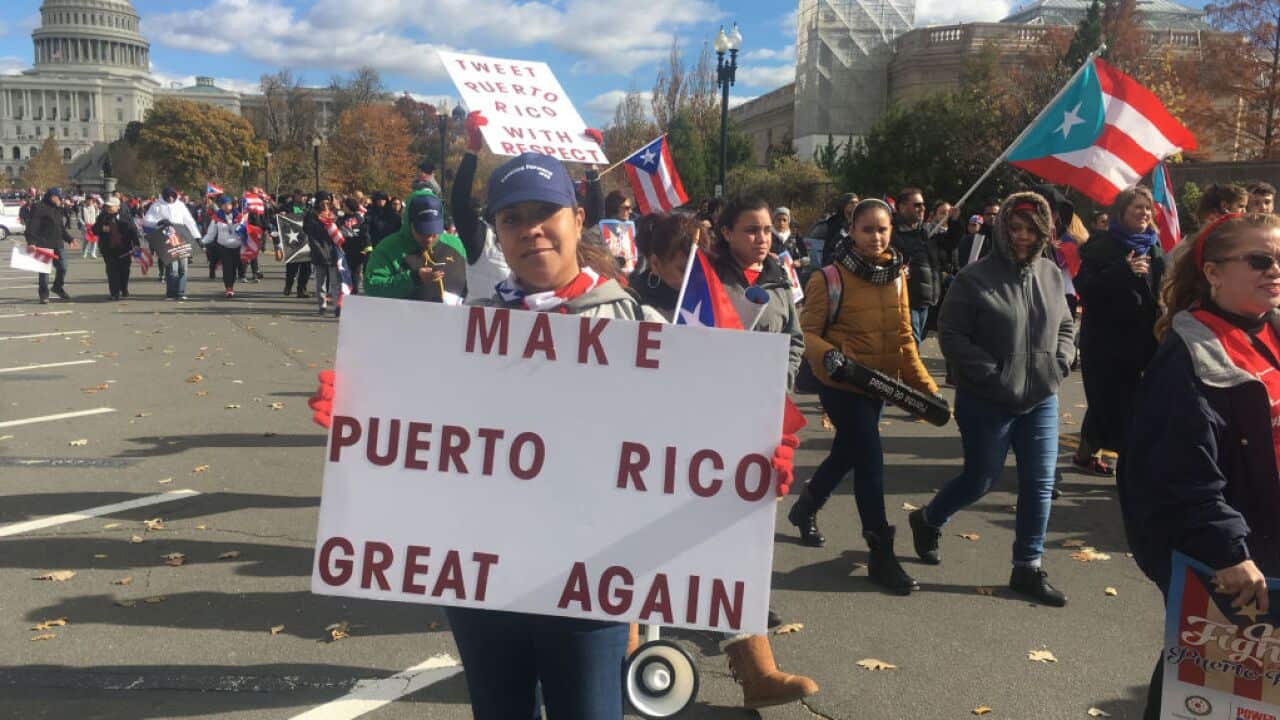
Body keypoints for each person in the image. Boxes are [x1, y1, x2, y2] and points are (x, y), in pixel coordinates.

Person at [1120, 212, 1280, 719]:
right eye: (1260, 260)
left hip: (1271, 544)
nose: (1274, 270)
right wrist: (1227, 550)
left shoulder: (1272, 330)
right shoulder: (1189, 354)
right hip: (1236, 558)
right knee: (1206, 698)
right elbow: (1180, 469)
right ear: (1212, 273)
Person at [909, 192, 1075, 607]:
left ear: (1045, 232)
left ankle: (1028, 567)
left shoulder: (1052, 275)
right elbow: (951, 337)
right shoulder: (973, 278)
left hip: (1041, 396)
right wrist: (993, 376)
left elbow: (1067, 325)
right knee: (980, 478)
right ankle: (928, 519)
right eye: (1015, 228)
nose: (1022, 237)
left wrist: (1060, 363)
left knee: (1039, 483)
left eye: (1032, 229)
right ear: (1001, 230)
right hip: (987, 399)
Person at [789, 198, 940, 595]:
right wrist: (831, 357)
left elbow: (905, 339)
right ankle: (880, 551)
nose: (876, 237)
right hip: (841, 385)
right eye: (867, 229)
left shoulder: (897, 277)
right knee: (870, 460)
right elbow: (808, 334)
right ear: (851, 232)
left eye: (883, 229)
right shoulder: (828, 279)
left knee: (847, 454)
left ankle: (804, 508)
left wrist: (928, 389)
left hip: (878, 386)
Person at [1072, 186, 1164, 473]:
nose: (1144, 213)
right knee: (1110, 401)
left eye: (1147, 208)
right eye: (1137, 207)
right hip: (1105, 343)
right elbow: (1085, 289)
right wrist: (1122, 271)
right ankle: (1130, 465)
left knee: (1125, 401)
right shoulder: (1102, 245)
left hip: (1144, 340)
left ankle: (1086, 454)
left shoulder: (1154, 246)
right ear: (1121, 212)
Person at [713, 197, 805, 388]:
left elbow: (794, 339)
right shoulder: (709, 278)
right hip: (716, 389)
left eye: (767, 230)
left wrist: (784, 379)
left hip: (767, 397)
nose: (762, 239)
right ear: (727, 233)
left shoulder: (780, 279)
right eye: (751, 231)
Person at [365, 194, 466, 303]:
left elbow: (475, 280)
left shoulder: (456, 245)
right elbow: (372, 287)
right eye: (422, 231)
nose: (429, 239)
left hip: (454, 317)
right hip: (405, 317)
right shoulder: (388, 248)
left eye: (434, 232)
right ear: (410, 224)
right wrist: (413, 278)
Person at [891, 187, 942, 345]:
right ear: (901, 207)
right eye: (917, 205)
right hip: (907, 301)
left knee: (915, 343)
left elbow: (949, 243)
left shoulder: (924, 233)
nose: (923, 209)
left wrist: (953, 221)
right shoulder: (891, 232)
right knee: (912, 345)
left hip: (925, 300)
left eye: (923, 205)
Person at [143, 187, 200, 300]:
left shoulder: (180, 205)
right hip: (167, 237)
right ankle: (171, 293)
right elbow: (146, 221)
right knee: (172, 268)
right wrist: (158, 222)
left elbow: (189, 221)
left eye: (172, 195)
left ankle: (180, 292)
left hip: (182, 235)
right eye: (168, 196)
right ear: (164, 196)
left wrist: (197, 236)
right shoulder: (157, 205)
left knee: (183, 267)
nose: (170, 198)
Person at [26, 188, 74, 304]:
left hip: (57, 243)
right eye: (59, 198)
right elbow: (32, 225)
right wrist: (31, 242)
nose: (61, 200)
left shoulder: (57, 208)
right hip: (43, 243)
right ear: (52, 197)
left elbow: (60, 227)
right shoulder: (39, 207)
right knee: (44, 271)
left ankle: (57, 287)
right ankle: (44, 294)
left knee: (63, 267)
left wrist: (69, 239)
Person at [304, 191, 344, 316]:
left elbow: (340, 230)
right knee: (320, 282)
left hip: (332, 252)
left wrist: (334, 217)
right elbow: (309, 231)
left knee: (334, 282)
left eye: (327, 202)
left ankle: (338, 307)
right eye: (323, 202)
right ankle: (322, 306)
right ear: (318, 202)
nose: (325, 204)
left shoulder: (334, 214)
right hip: (319, 251)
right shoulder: (311, 216)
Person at [91, 196, 139, 300]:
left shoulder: (126, 217)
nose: (108, 208)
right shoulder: (102, 216)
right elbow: (94, 229)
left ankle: (124, 287)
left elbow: (133, 231)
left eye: (111, 206)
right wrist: (101, 228)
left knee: (124, 270)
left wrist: (136, 244)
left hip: (124, 248)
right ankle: (114, 293)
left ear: (118, 207)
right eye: (107, 206)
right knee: (111, 271)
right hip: (108, 248)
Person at [200, 195, 244, 298]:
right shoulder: (216, 218)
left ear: (231, 205)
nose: (226, 207)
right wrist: (202, 242)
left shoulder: (239, 216)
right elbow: (211, 233)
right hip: (223, 246)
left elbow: (245, 232)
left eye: (228, 204)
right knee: (227, 268)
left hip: (237, 246)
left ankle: (231, 285)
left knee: (233, 268)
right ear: (221, 206)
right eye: (224, 205)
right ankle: (229, 288)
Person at [338, 198, 369, 294]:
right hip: (344, 250)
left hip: (357, 249)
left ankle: (354, 292)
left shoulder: (359, 218)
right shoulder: (341, 219)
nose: (343, 207)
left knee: (355, 273)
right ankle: (345, 291)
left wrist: (365, 249)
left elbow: (364, 234)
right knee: (344, 273)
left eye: (345, 206)